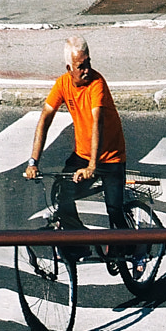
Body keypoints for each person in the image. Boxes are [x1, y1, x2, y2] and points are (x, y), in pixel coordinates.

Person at [24, 36, 130, 247]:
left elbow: (96, 122)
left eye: (88, 63)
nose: (87, 70)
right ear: (69, 67)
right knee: (62, 196)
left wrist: (92, 167)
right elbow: (45, 119)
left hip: (110, 158)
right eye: (81, 67)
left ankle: (138, 249)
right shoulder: (63, 84)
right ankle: (81, 241)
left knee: (115, 211)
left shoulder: (97, 84)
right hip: (83, 155)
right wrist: (33, 162)